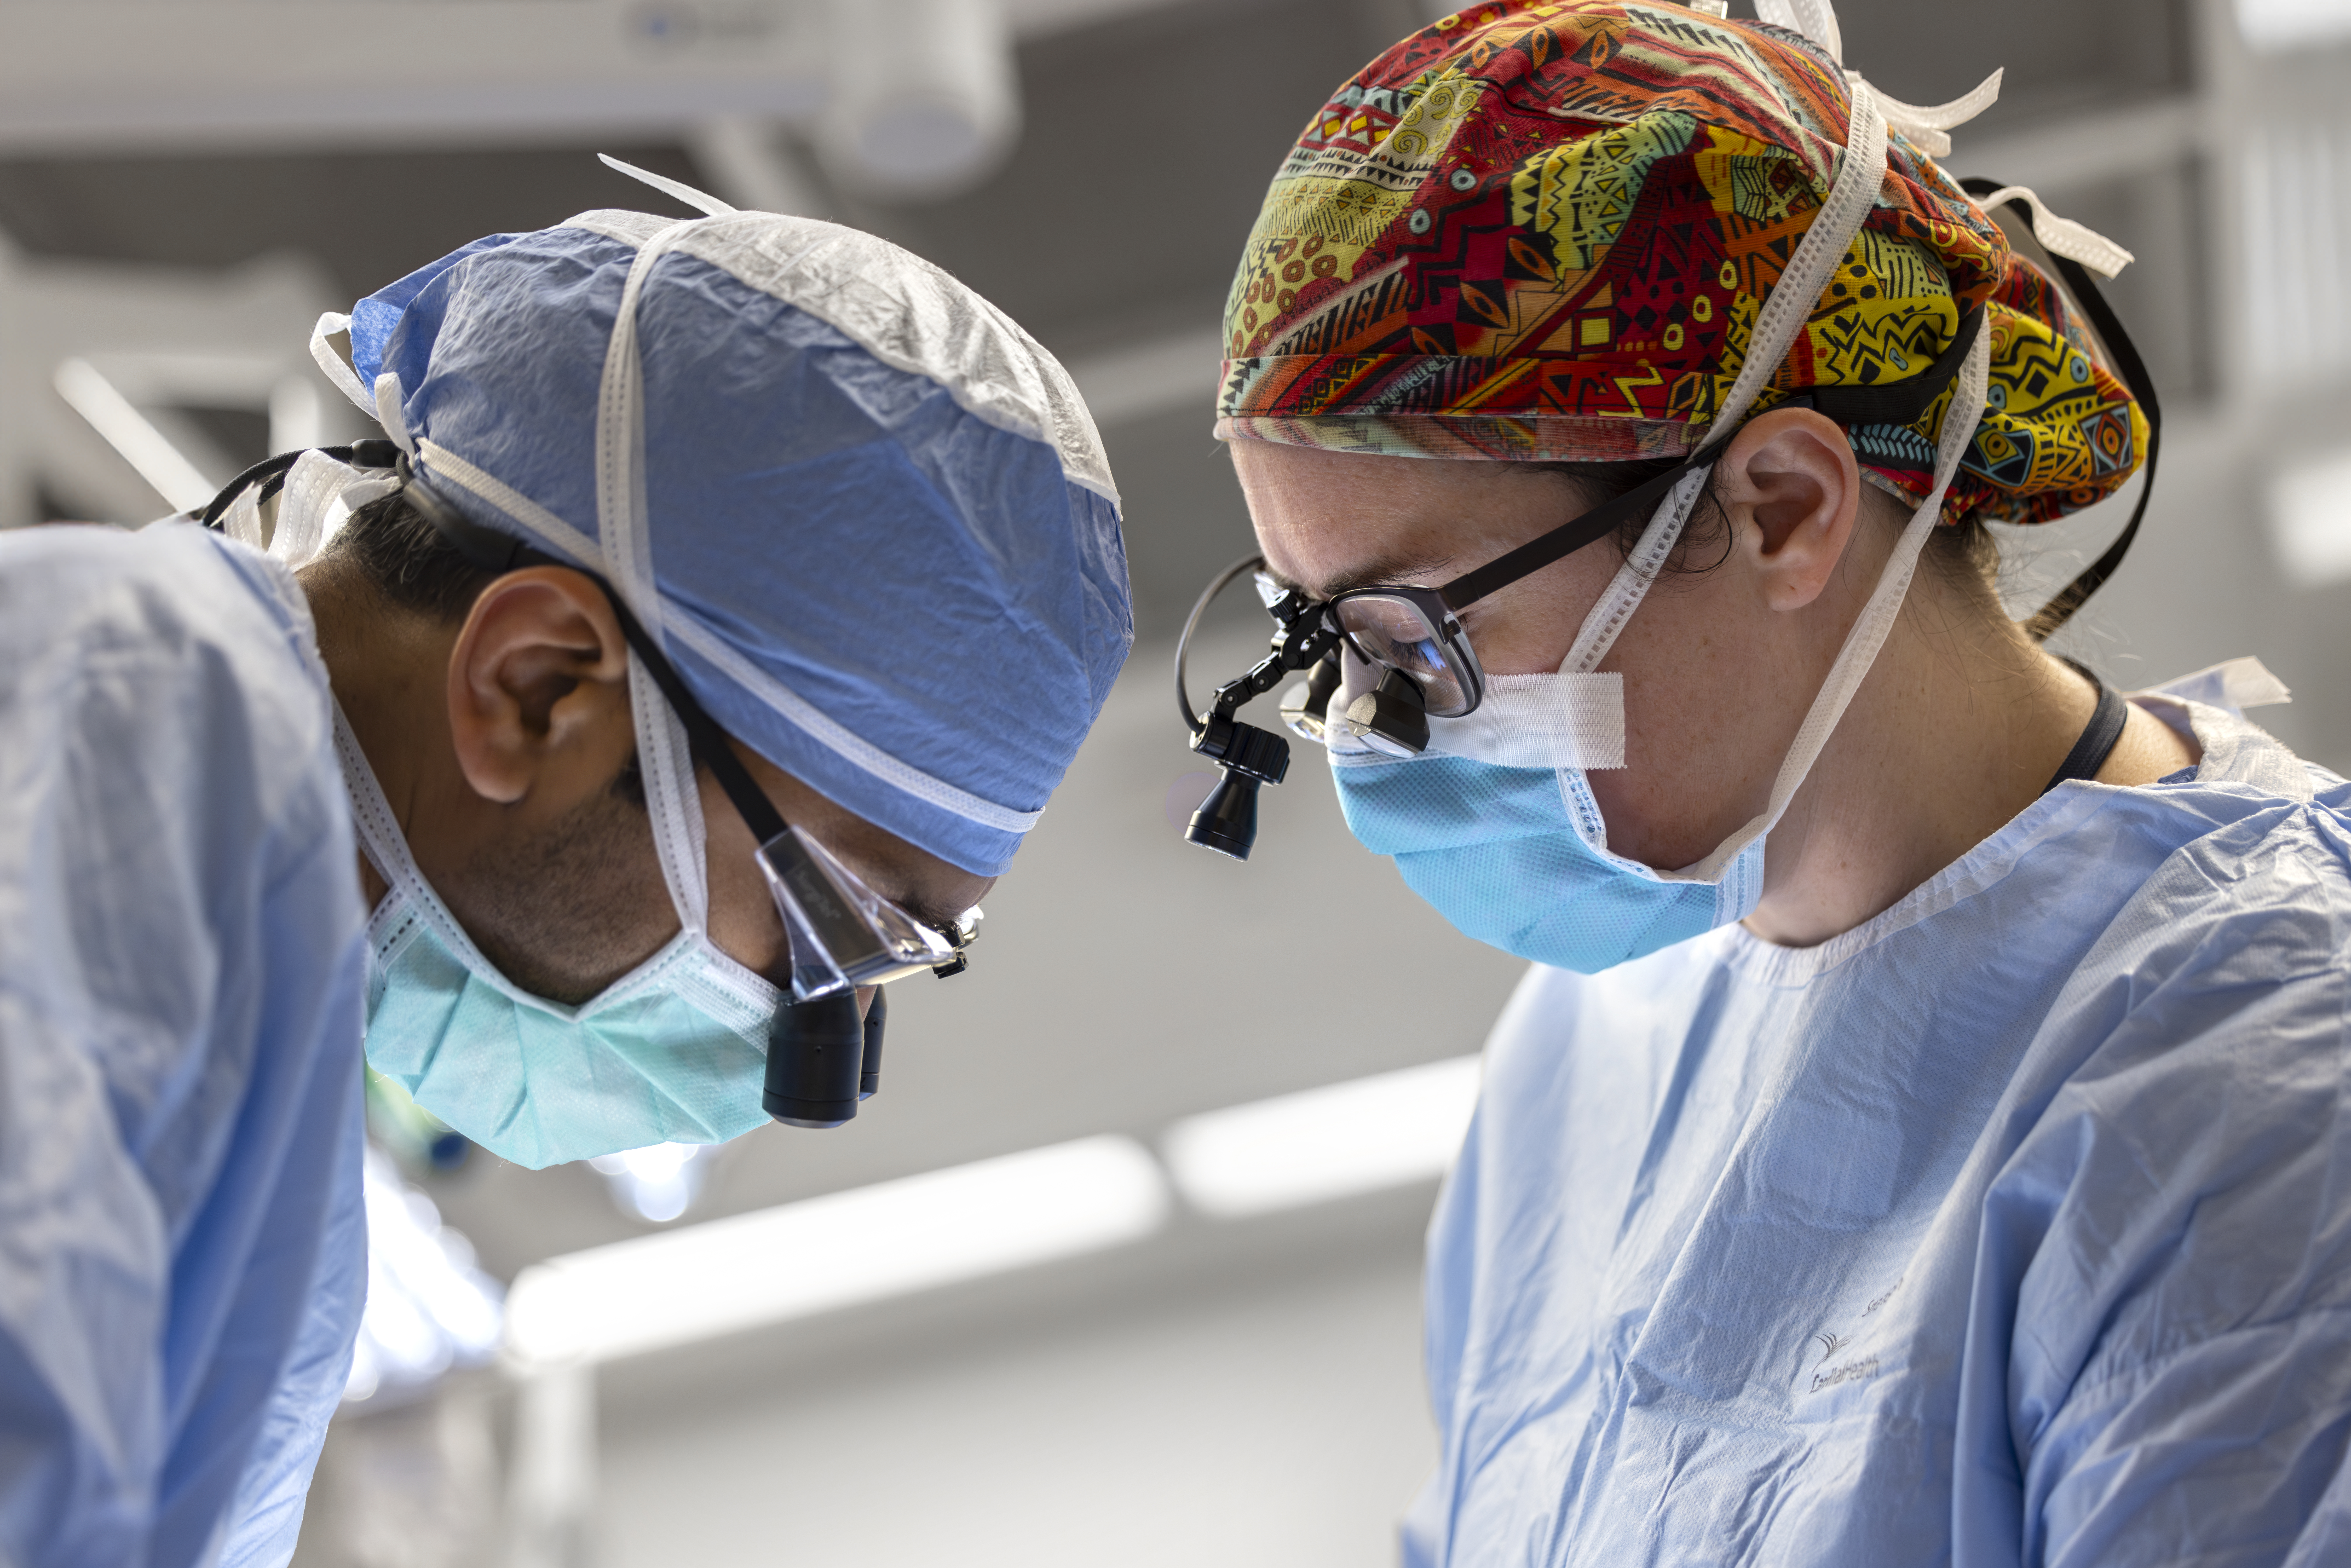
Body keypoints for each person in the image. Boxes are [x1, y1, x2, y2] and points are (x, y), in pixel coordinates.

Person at [1195, 3, 2351, 1562]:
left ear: (1784, 508)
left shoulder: (2262, 1080)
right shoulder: (1585, 1055)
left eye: (1415, 633)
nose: (1369, 722)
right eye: (1320, 635)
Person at [0, 170, 1131, 1568]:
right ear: (536, 689)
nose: (808, 1029)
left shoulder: (249, 948)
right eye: (838, 925)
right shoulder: (87, 820)